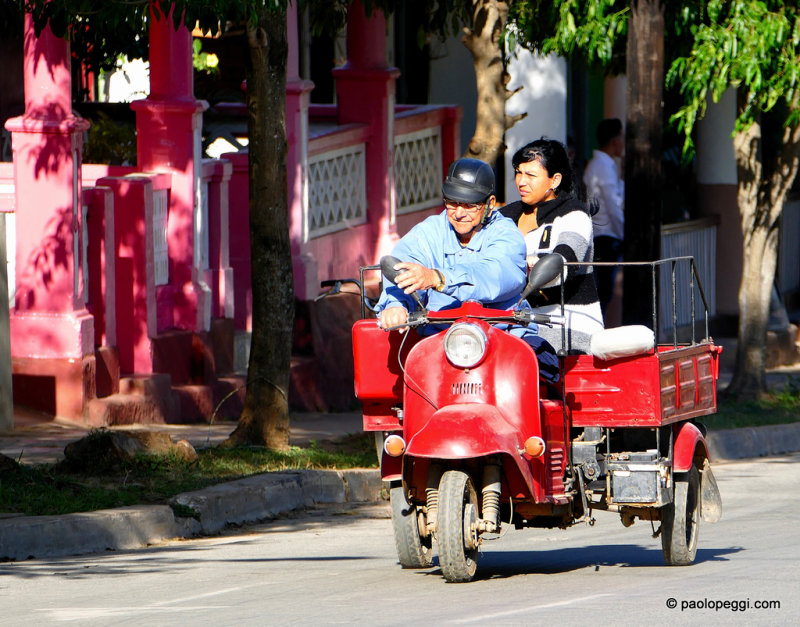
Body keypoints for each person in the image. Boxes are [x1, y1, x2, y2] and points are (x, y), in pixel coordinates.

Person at [376, 157, 559, 381]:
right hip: (439, 340)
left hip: (505, 336)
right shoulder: (429, 231)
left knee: (535, 375)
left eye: (470, 205)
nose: (459, 212)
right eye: (452, 203)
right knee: (408, 393)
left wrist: (438, 278)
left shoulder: (505, 234)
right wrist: (396, 305)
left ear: (490, 203)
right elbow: (404, 264)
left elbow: (495, 274)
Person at [500, 138, 603, 354]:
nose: (521, 181)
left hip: (568, 325)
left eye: (531, 175)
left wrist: (527, 267)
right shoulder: (504, 217)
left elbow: (564, 263)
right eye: (519, 172)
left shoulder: (574, 215)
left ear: (554, 180)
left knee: (508, 345)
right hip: (519, 323)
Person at [583, 118, 625, 314]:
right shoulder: (604, 166)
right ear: (615, 141)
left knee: (603, 290)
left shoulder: (599, 164)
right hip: (607, 235)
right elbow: (613, 205)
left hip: (600, 233)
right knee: (605, 291)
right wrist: (623, 232)